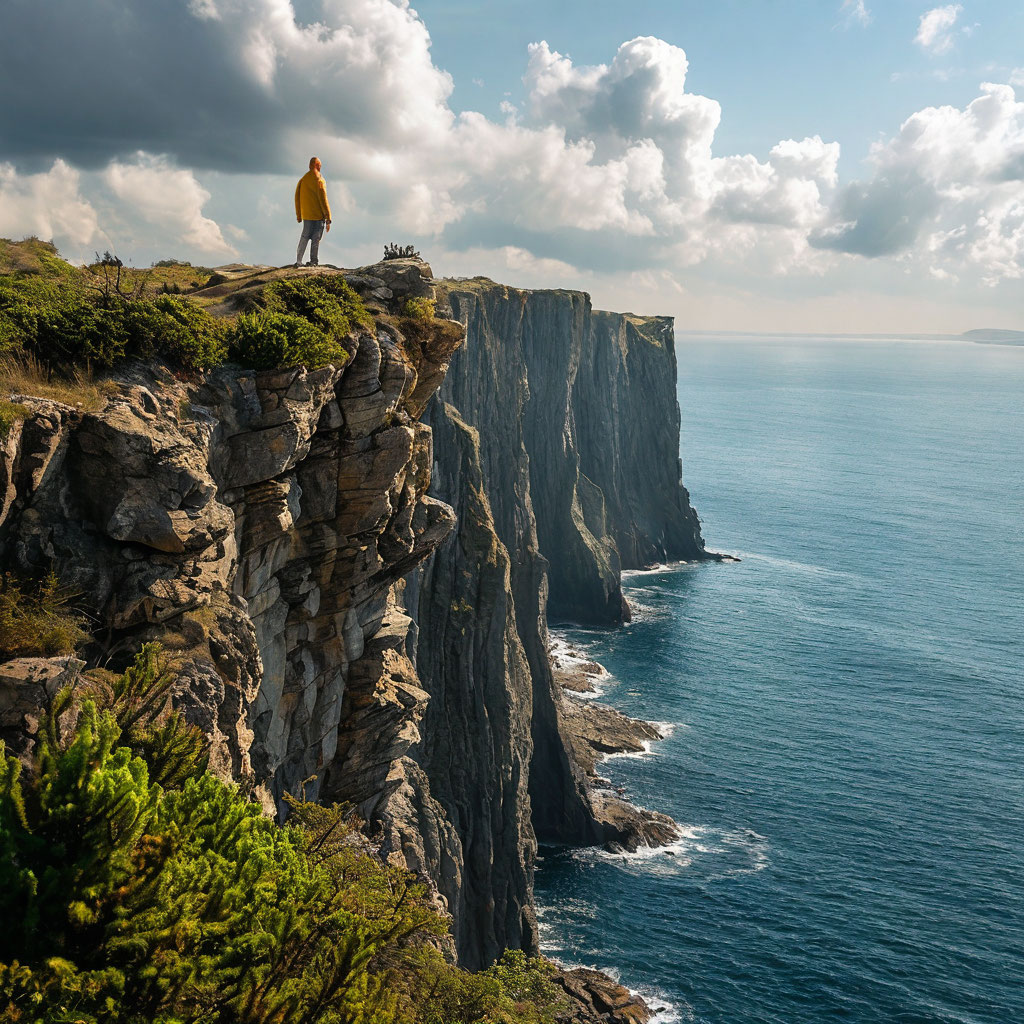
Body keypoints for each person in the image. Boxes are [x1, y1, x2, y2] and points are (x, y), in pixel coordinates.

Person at [294, 156, 332, 267]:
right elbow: (323, 199)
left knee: (304, 237)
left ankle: (298, 260)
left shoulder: (303, 179)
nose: (320, 168)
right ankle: (313, 261)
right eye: (320, 166)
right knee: (316, 239)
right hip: (318, 216)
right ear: (316, 165)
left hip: (306, 215)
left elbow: (297, 198)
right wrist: (328, 217)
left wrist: (299, 215)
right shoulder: (319, 180)